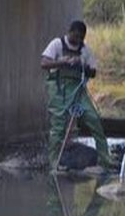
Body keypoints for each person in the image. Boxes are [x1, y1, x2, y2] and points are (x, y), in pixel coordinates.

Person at [41, 20, 110, 169]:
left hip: (78, 89)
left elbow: (93, 72)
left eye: (81, 38)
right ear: (70, 32)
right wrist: (62, 62)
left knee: (94, 119)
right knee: (58, 127)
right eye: (76, 37)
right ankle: (54, 162)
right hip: (59, 89)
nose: (79, 40)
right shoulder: (57, 44)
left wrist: (82, 65)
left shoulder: (85, 50)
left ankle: (106, 159)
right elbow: (44, 63)